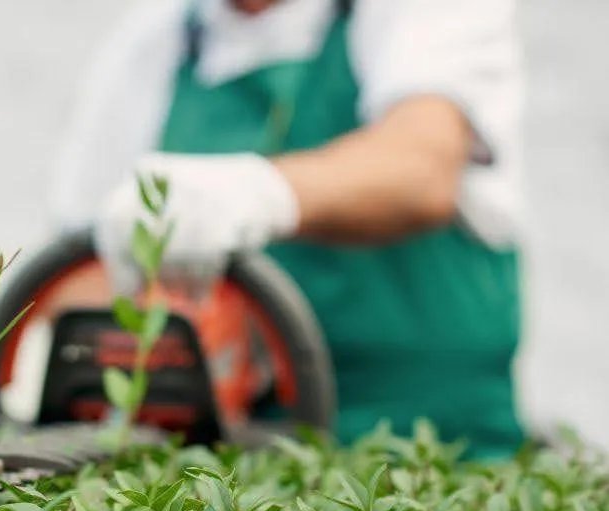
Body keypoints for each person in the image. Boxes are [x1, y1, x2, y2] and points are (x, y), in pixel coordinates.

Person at [48, 0, 527, 460]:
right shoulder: (156, 41)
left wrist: (252, 194)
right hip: (230, 462)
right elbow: (75, 277)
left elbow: (423, 167)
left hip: (441, 455)